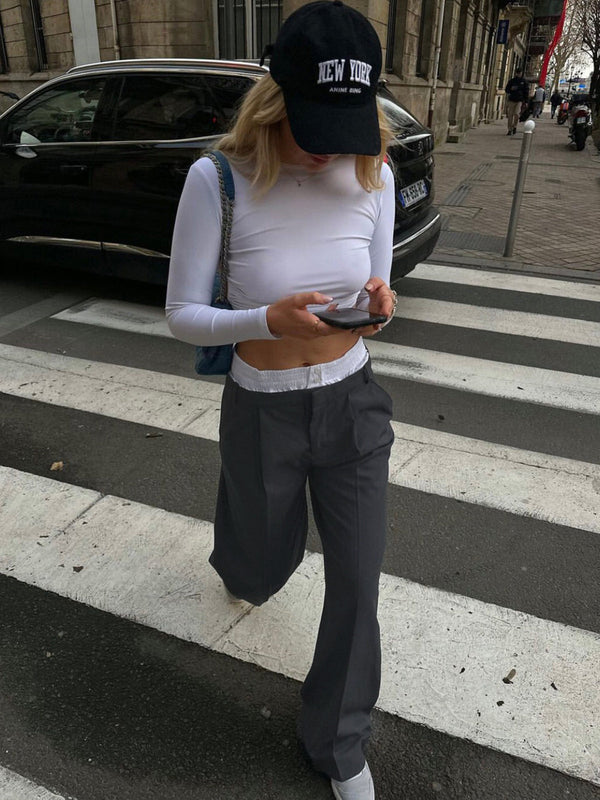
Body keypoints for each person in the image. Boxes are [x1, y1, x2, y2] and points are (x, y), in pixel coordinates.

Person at [166, 2, 397, 798]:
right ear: (276, 100)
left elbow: (376, 283)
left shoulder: (375, 173)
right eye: (314, 122)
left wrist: (377, 300)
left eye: (347, 121)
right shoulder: (217, 179)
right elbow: (180, 313)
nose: (332, 144)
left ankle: (339, 744)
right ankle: (243, 559)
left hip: (352, 402)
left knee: (358, 579)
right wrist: (265, 317)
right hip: (261, 403)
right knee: (261, 567)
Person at [505, 69, 529, 134]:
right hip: (512, 99)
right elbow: (507, 90)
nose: (518, 74)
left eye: (520, 73)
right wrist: (511, 89)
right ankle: (509, 129)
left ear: (521, 73)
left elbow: (526, 92)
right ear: (516, 73)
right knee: (510, 115)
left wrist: (526, 101)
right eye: (517, 73)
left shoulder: (524, 82)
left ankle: (514, 126)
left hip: (519, 100)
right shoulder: (512, 81)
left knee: (516, 113)